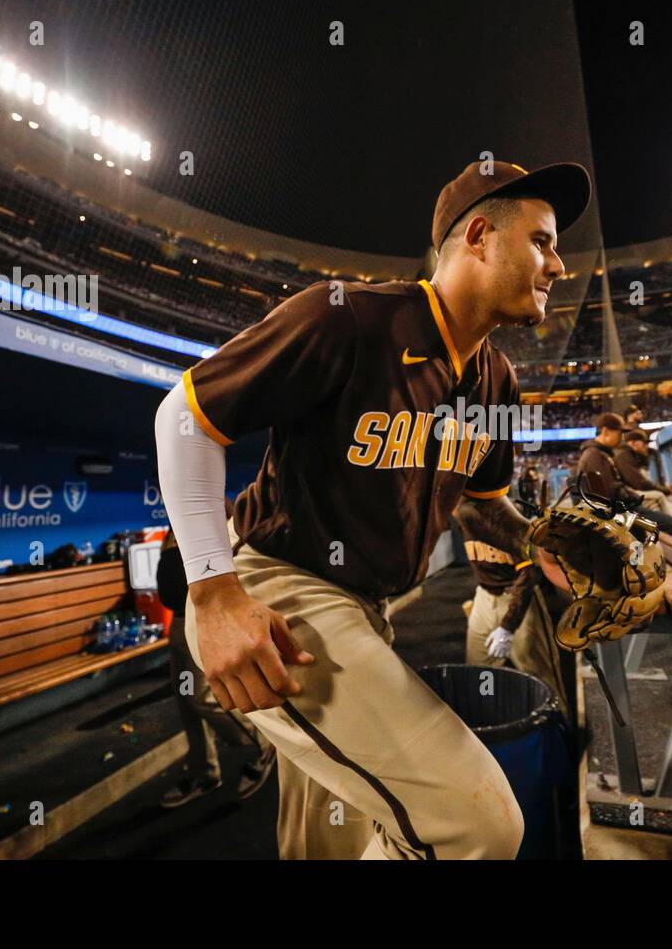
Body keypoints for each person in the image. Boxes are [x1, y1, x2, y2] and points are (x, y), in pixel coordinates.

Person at [154, 158, 587, 859]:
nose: (558, 265)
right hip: (284, 595)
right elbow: (183, 417)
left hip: (368, 610)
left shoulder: (496, 379)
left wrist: (541, 540)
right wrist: (214, 592)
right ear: (479, 234)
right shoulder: (349, 319)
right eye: (543, 241)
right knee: (477, 825)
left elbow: (480, 507)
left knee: (329, 840)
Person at [155, 527, 276, 808]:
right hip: (177, 622)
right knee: (185, 702)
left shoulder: (216, 514)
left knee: (201, 697)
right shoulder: (176, 520)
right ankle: (203, 772)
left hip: (204, 619)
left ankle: (262, 746)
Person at [458, 522, 570, 721]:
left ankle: (557, 728)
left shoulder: (506, 521)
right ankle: (488, 717)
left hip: (518, 599)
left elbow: (526, 577)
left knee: (538, 671)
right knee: (482, 668)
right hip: (484, 596)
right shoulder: (463, 515)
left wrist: (508, 627)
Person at [575, 413, 672, 538]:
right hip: (617, 515)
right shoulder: (594, 456)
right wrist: (633, 497)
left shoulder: (601, 453)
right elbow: (609, 493)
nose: (622, 437)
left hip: (618, 511)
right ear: (606, 431)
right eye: (619, 432)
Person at [614, 428, 672, 512]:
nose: (646, 446)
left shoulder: (633, 455)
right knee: (659, 496)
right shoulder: (624, 455)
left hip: (627, 493)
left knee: (658, 496)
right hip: (624, 496)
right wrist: (668, 490)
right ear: (633, 443)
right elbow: (640, 483)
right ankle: (664, 524)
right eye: (644, 443)